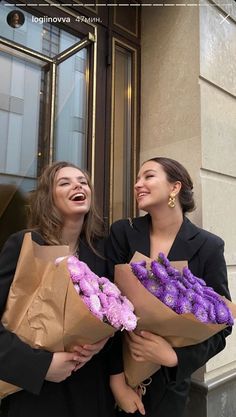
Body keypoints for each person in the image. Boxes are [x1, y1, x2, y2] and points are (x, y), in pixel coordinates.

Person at [106, 157, 232, 417]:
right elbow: (105, 308)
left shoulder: (208, 246)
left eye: (148, 176)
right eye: (137, 179)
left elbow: (223, 323)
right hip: (113, 378)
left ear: (175, 188)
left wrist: (174, 358)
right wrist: (118, 382)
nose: (138, 184)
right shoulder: (123, 233)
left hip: (169, 388)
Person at [0, 161, 118, 417]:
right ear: (48, 198)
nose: (78, 185)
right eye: (64, 182)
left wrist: (102, 341)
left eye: (83, 182)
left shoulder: (102, 250)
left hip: (90, 391)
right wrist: (41, 366)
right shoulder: (24, 244)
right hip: (35, 395)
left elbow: (115, 316)